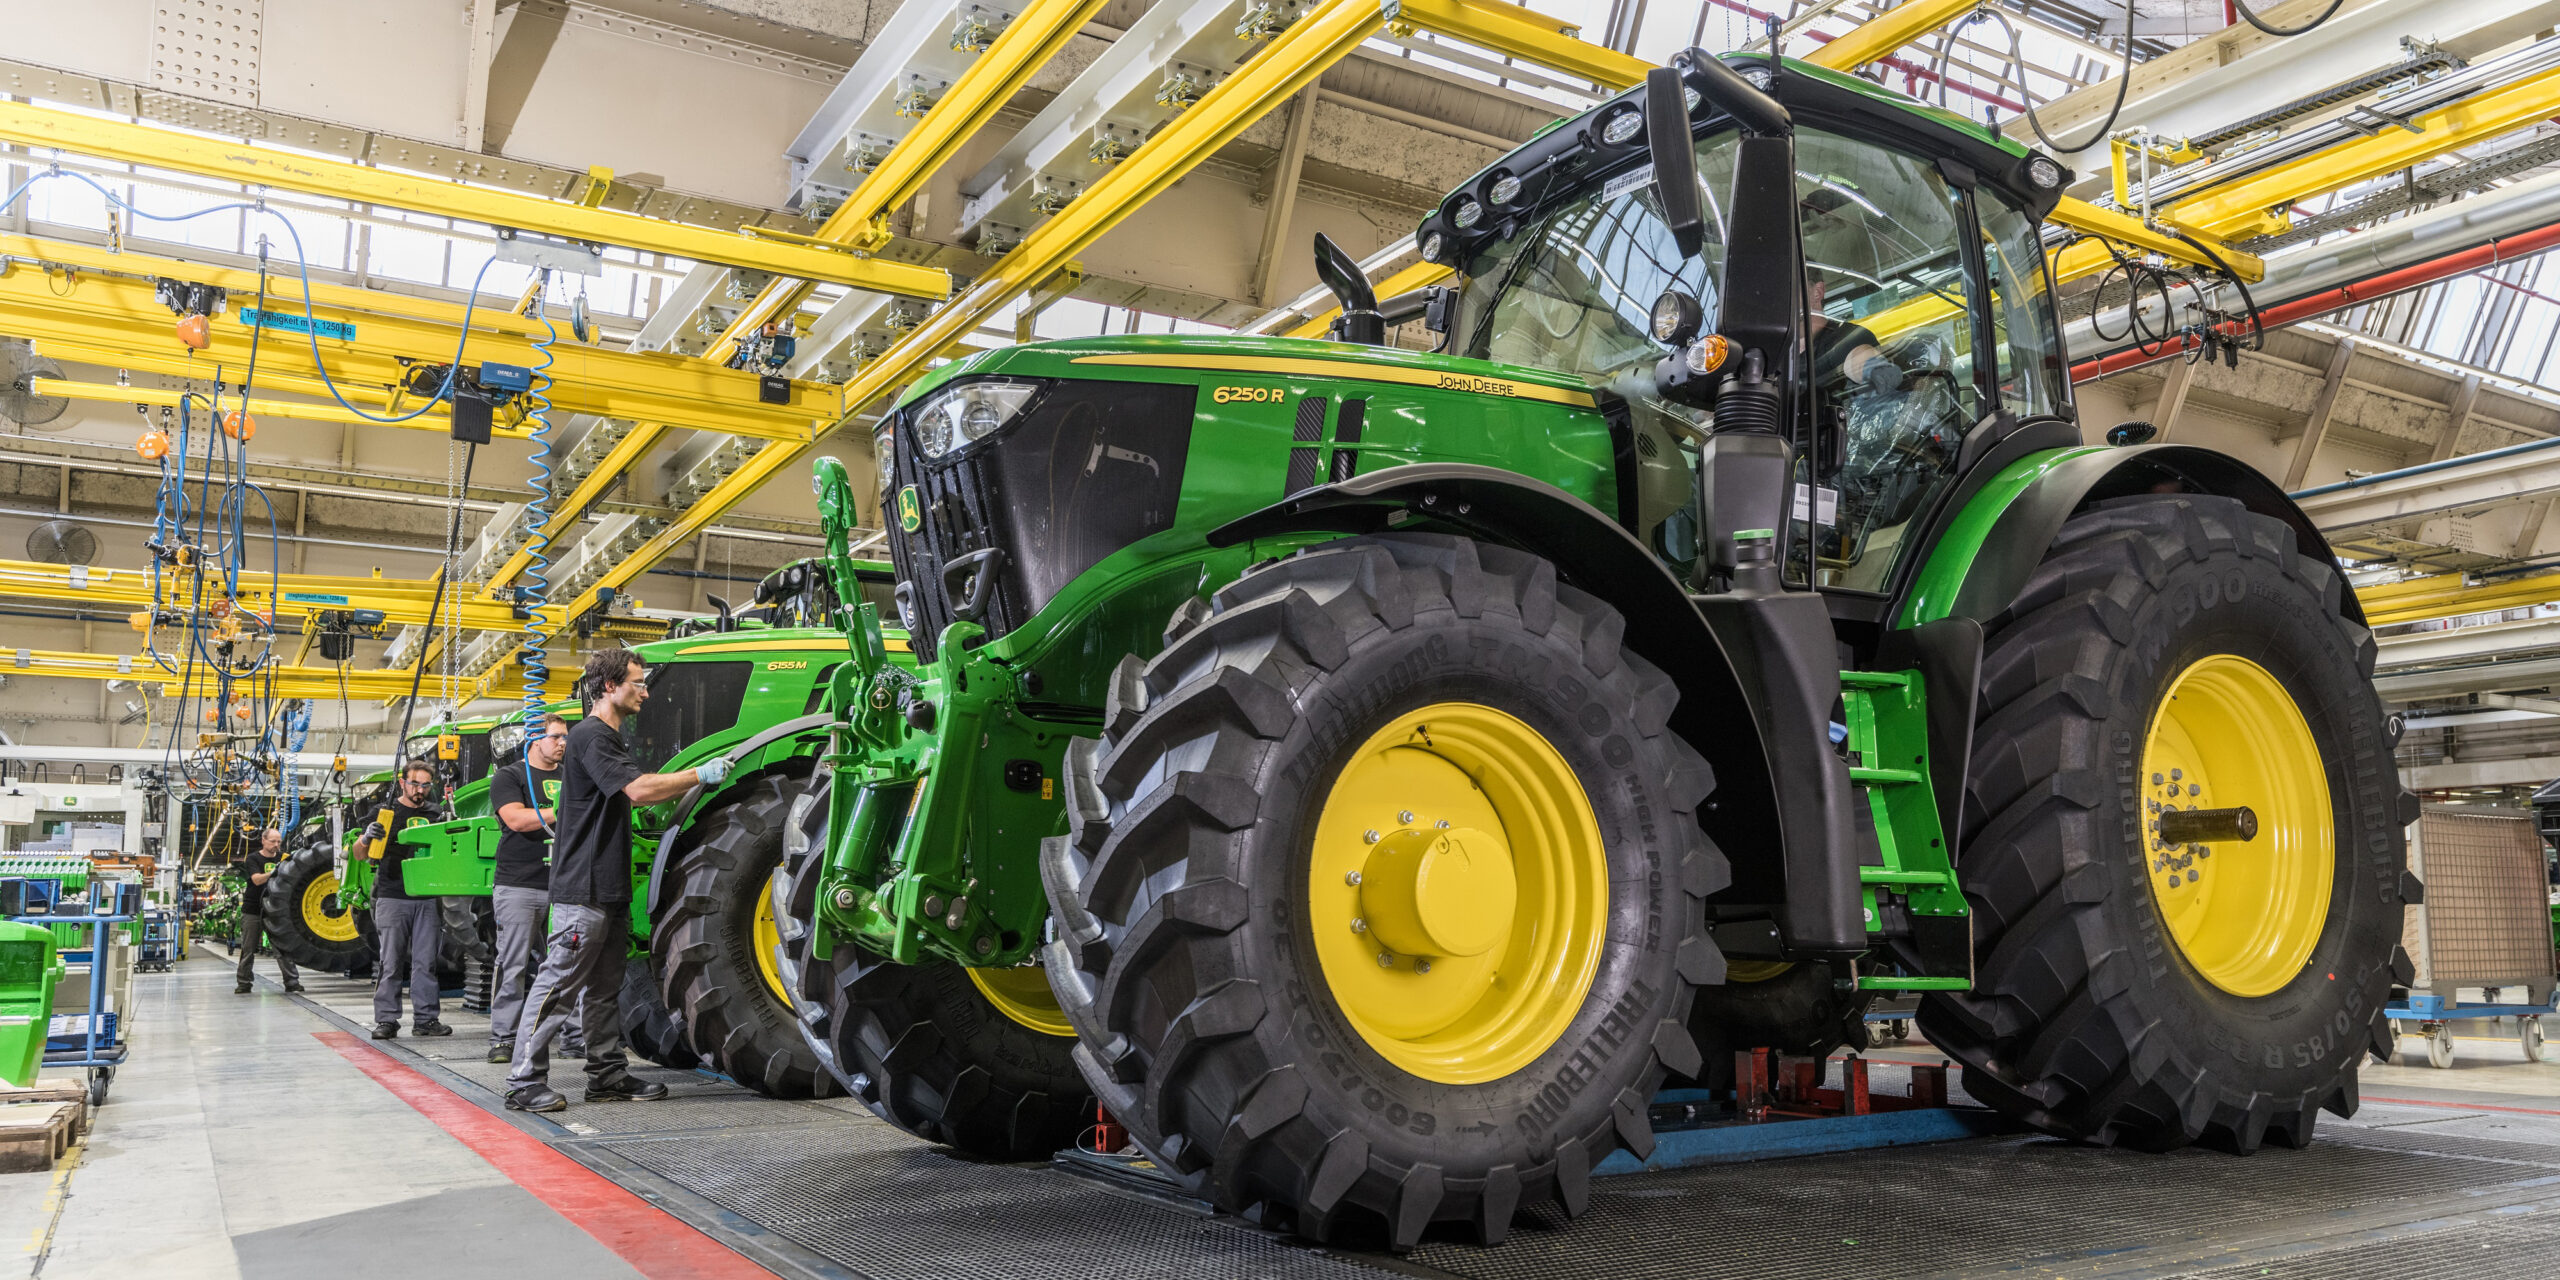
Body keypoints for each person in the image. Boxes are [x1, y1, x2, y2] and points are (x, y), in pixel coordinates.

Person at [505, 649, 731, 1112]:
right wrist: (698, 776)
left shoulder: (608, 739)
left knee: (603, 990)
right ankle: (523, 1081)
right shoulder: (591, 735)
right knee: (558, 984)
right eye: (637, 682)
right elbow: (639, 791)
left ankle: (606, 1075)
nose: (645, 691)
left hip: (607, 888)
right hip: (582, 890)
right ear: (609, 686)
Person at [486, 714, 577, 1064]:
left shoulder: (569, 776)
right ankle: (503, 1039)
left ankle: (572, 1038)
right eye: (556, 737)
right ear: (534, 740)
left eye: (565, 737)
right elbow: (517, 819)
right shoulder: (509, 777)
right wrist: (565, 808)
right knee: (513, 964)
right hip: (518, 886)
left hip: (562, 885)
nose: (562, 743)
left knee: (567, 966)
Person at [363, 760, 454, 1040]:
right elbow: (359, 855)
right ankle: (387, 1020)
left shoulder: (436, 813)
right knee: (390, 962)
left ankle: (426, 1020)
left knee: (425, 962)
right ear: (402, 783)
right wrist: (367, 837)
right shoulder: (385, 813)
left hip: (427, 897)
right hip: (393, 896)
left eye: (426, 785)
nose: (420, 790)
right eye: (415, 784)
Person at [230, 827, 304, 994]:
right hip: (253, 910)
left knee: (282, 948)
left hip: (276, 910)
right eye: (272, 841)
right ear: (263, 841)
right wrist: (275, 872)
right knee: (248, 948)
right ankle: (244, 983)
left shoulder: (284, 858)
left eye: (279, 842)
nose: (276, 845)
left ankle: (292, 982)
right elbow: (256, 880)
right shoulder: (253, 859)